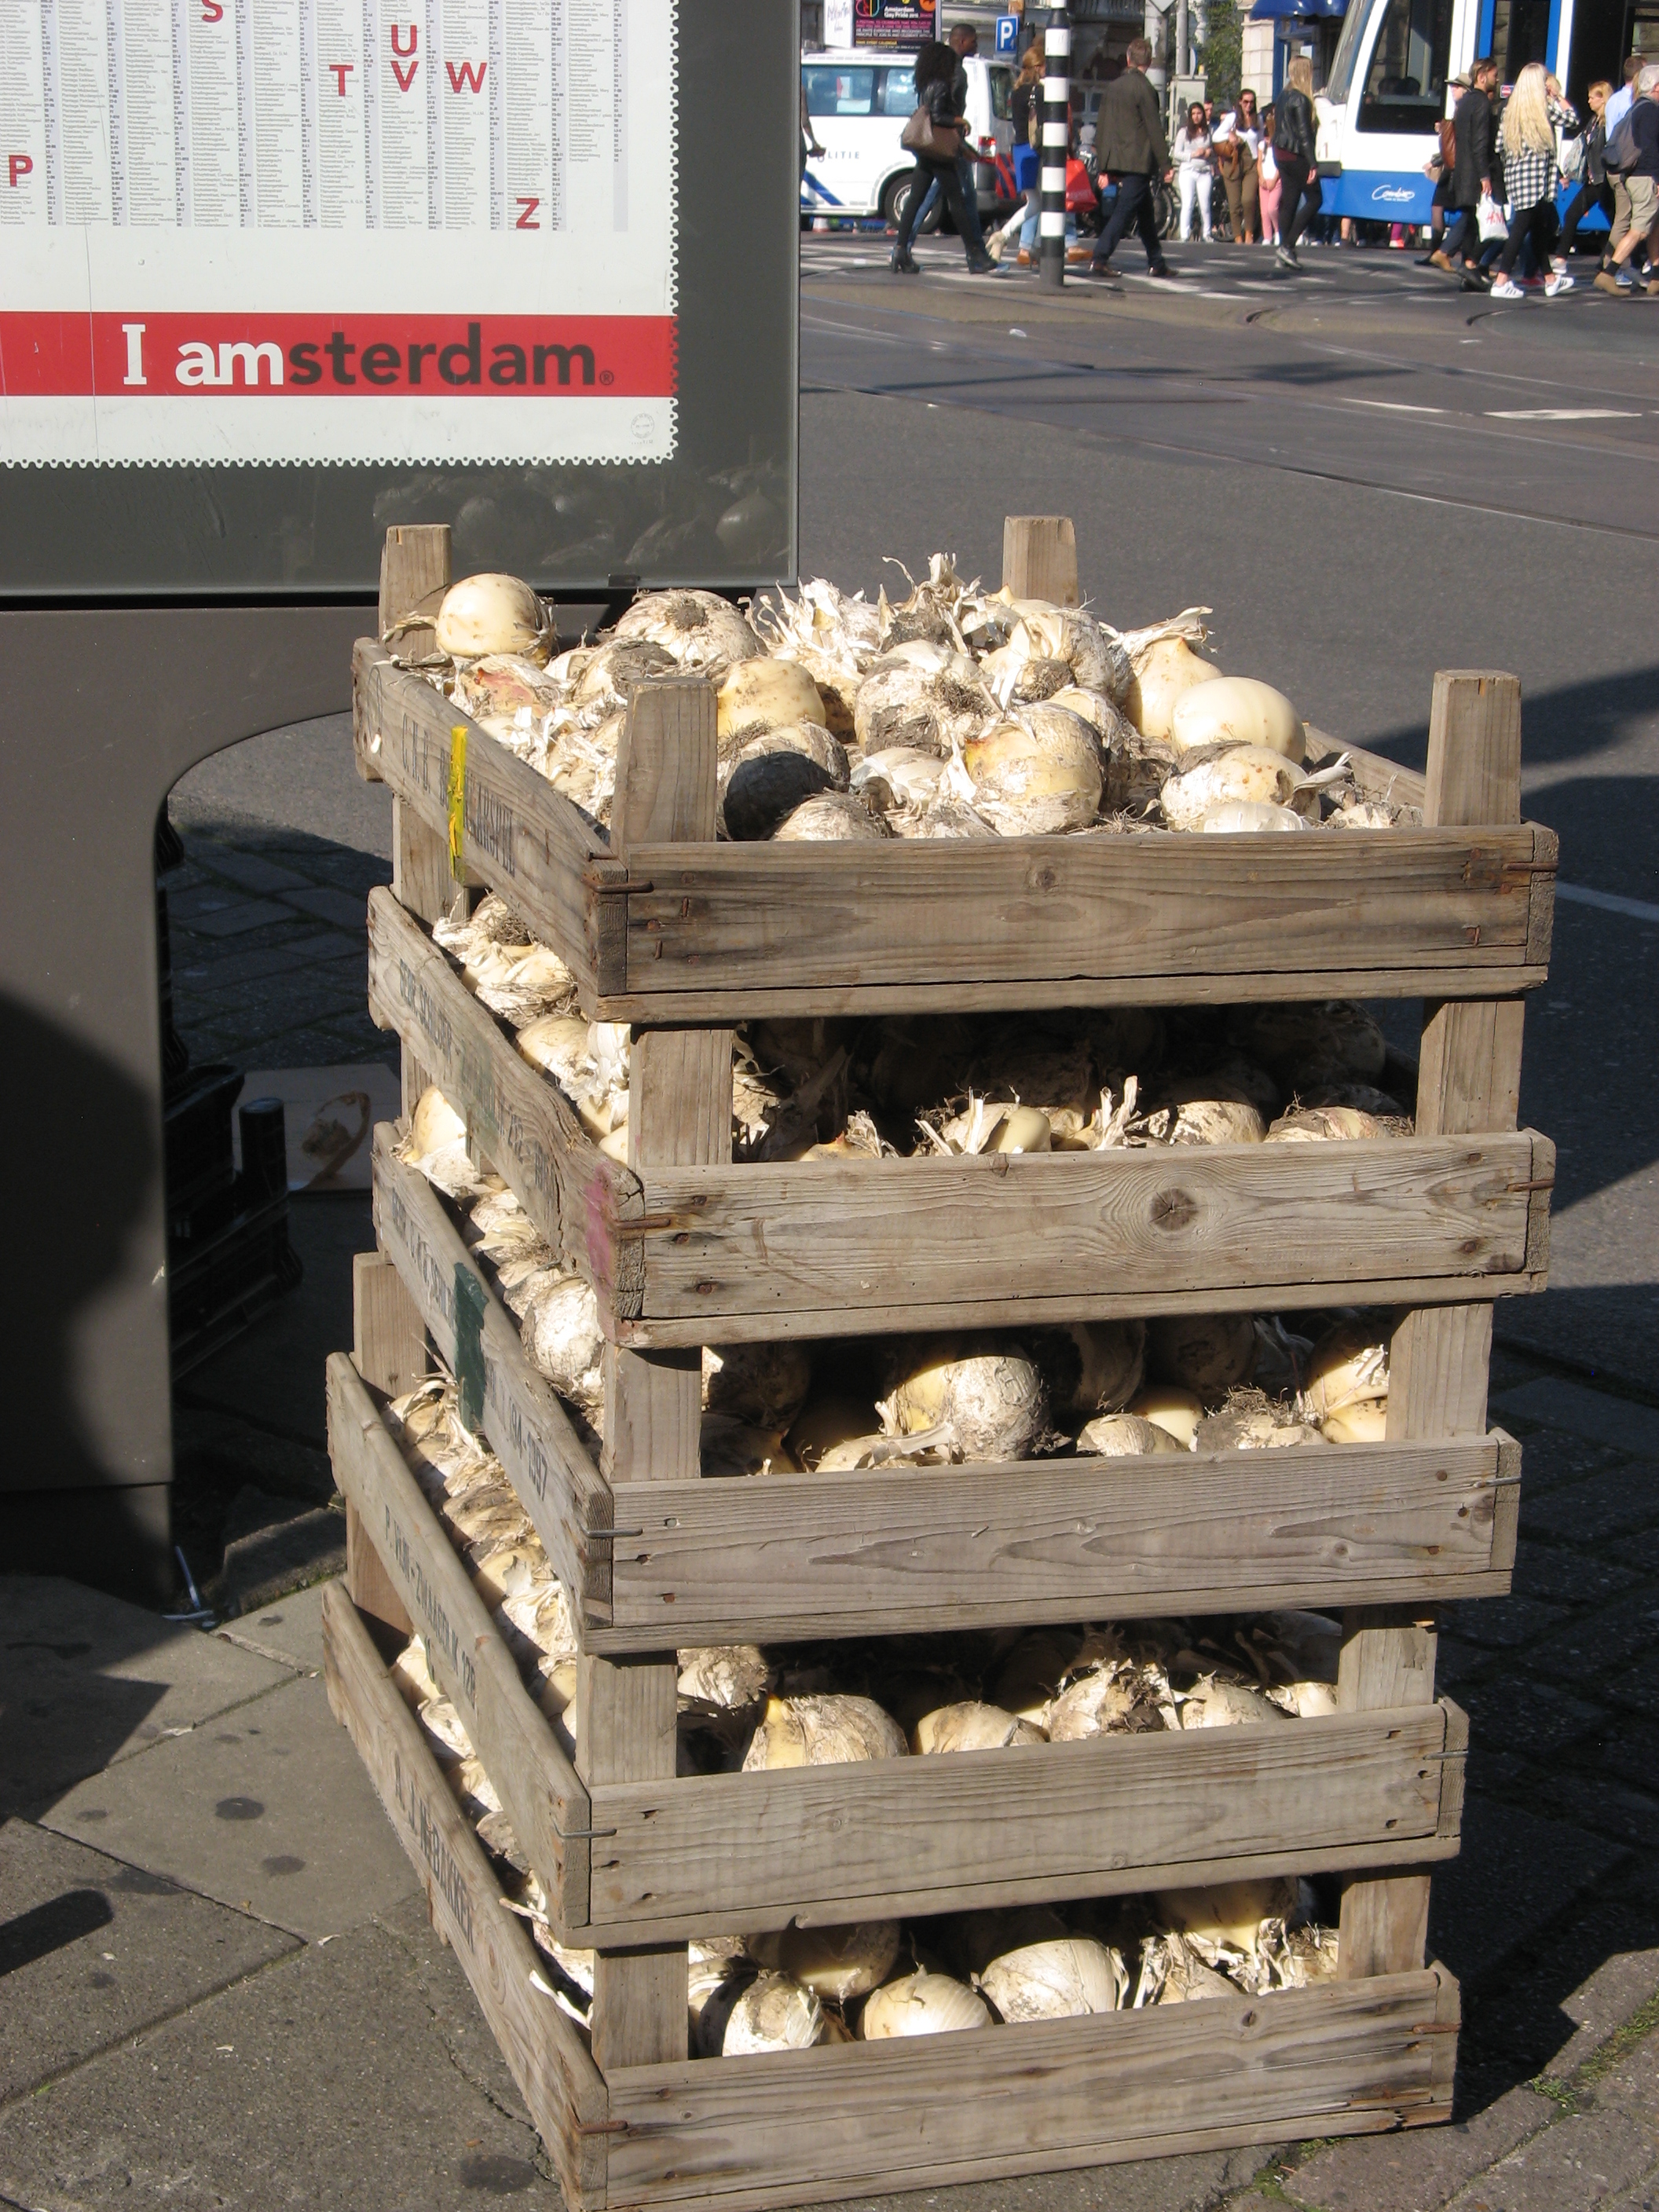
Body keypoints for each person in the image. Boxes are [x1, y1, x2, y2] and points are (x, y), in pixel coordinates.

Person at [891, 39, 995, 275]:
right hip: (939, 150)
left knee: (915, 199)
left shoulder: (925, 84)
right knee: (957, 201)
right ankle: (975, 255)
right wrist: (960, 120)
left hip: (927, 149)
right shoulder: (941, 85)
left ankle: (900, 250)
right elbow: (938, 116)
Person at [1086, 37, 1173, 278]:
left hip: (1115, 157)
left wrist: (1103, 165)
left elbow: (1103, 127)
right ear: (1149, 61)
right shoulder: (1145, 89)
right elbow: (1154, 128)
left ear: (1128, 58)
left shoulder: (1113, 87)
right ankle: (1100, 257)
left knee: (1145, 213)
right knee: (1124, 211)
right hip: (1138, 159)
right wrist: (1165, 164)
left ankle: (1157, 261)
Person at [1488, 62, 1577, 296]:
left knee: (1536, 227)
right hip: (1537, 179)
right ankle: (1501, 281)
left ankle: (1550, 279)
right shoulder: (1543, 109)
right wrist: (1558, 96)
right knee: (1520, 228)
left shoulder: (1509, 110)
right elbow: (1572, 119)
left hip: (1516, 176)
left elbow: (1499, 145)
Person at [1430, 53, 1500, 284]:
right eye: (1494, 75)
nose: (1497, 80)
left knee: (1470, 219)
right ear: (1482, 77)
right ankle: (1470, 266)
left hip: (1461, 171)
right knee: (1480, 222)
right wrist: (1485, 175)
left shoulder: (1465, 103)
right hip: (1475, 172)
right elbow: (1480, 142)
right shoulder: (1482, 103)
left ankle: (1469, 271)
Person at [1595, 61, 1659, 294]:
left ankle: (1656, 278)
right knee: (1639, 229)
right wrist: (1657, 178)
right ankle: (1608, 273)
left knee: (1655, 227)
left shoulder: (1638, 106)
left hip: (1635, 175)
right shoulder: (1651, 111)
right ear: (1657, 87)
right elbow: (1649, 148)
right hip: (1645, 177)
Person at [987, 40, 1045, 262]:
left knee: (1037, 202)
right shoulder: (1039, 91)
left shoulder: (1017, 91)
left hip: (1021, 150)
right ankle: (1006, 236)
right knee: (1043, 202)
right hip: (1035, 150)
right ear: (1038, 67)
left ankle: (1013, 241)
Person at [1271, 56, 1320, 271]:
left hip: (1280, 151)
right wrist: (1313, 163)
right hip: (1296, 153)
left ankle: (1284, 250)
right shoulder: (1301, 99)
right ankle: (1288, 245)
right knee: (1315, 199)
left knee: (1290, 200)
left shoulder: (1284, 95)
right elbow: (1304, 134)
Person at [1557, 81, 1613, 264]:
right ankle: (1561, 259)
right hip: (1592, 180)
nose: (1588, 101)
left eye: (1592, 97)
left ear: (1603, 99)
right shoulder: (1593, 122)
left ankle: (1618, 262)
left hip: (1604, 180)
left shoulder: (1608, 124)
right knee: (1571, 215)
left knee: (1617, 223)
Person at [1213, 88, 1263, 243]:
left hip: (1251, 162)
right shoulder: (1232, 118)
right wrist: (1230, 136)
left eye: (1252, 102)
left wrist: (1261, 159)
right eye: (1246, 102)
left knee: (1248, 199)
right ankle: (1237, 236)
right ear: (1240, 102)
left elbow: (1261, 140)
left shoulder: (1258, 119)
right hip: (1234, 161)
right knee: (1234, 203)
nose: (1249, 105)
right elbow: (1216, 136)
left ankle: (1249, 232)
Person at [1173, 101, 1214, 240]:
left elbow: (1215, 151)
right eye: (1193, 114)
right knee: (1188, 203)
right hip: (1188, 171)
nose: (1196, 117)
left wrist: (1209, 152)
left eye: (1199, 113)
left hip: (1204, 171)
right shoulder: (1184, 132)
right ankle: (1184, 234)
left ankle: (1207, 233)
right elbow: (1176, 153)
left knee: (1205, 205)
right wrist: (1193, 155)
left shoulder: (1209, 131)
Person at [1257, 106, 1283, 244]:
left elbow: (1280, 165)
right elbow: (1259, 163)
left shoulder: (1279, 145)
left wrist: (1274, 179)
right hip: (1264, 181)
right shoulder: (1262, 145)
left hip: (1275, 180)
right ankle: (1267, 236)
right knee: (1264, 212)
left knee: (1272, 208)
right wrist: (1261, 177)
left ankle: (1278, 231)